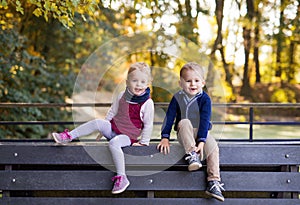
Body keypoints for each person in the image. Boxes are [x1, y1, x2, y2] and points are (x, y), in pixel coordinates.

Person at [52, 62, 154, 194]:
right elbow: (112, 112)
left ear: (148, 83)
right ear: (127, 81)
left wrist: (144, 143)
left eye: (142, 81)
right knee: (97, 122)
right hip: (114, 129)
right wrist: (103, 128)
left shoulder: (147, 103)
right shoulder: (121, 96)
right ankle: (68, 136)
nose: (138, 85)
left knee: (114, 143)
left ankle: (122, 177)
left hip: (128, 137)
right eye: (135, 80)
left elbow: (148, 124)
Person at [157, 62, 225, 202]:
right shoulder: (177, 98)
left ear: (203, 82)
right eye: (188, 81)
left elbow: (205, 120)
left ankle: (213, 181)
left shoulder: (205, 99)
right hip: (184, 132)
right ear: (181, 83)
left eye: (196, 81)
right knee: (185, 121)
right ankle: (191, 155)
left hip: (201, 132)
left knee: (213, 147)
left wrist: (201, 141)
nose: (192, 84)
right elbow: (169, 118)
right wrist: (165, 137)